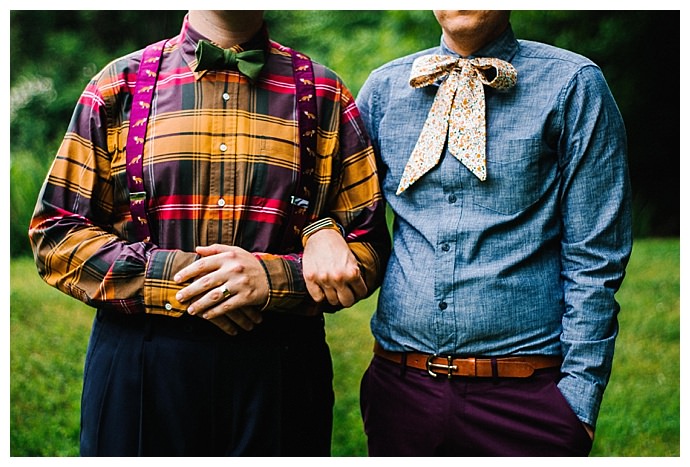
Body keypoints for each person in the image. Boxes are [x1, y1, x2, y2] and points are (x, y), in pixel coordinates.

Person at [28, 10, 390, 456]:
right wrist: (184, 278)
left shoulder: (325, 92)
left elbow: (368, 249)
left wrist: (272, 280)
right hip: (141, 362)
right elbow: (56, 233)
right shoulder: (117, 85)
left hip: (279, 368)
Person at [351, 10, 632, 456]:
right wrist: (321, 228)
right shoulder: (384, 89)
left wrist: (577, 403)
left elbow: (597, 253)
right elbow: (345, 213)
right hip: (401, 391)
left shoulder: (573, 84)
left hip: (527, 397)